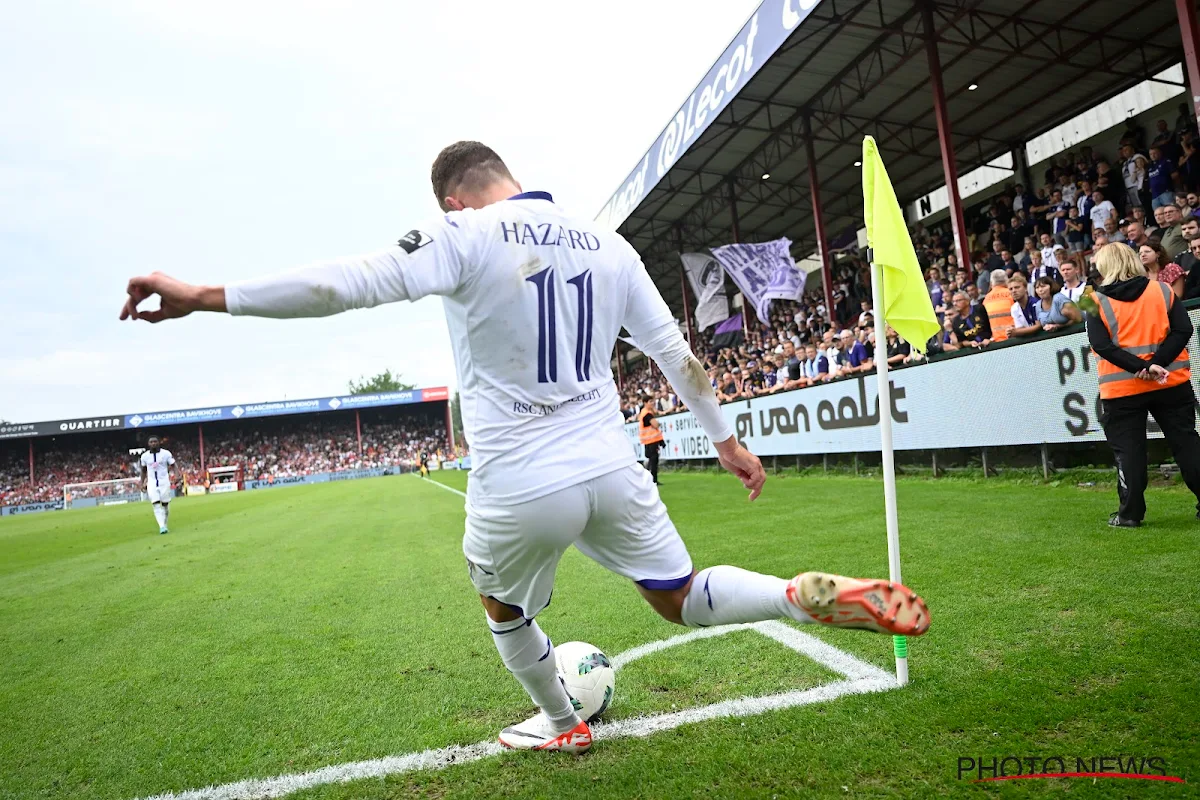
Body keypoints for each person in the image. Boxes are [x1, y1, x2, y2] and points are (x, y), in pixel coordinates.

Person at [118, 141, 929, 754]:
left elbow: (346, 283)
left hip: (518, 477)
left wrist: (207, 296)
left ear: (450, 196)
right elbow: (675, 353)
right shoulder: (607, 244)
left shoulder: (463, 234)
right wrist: (725, 441)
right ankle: (794, 595)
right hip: (610, 461)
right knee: (677, 594)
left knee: (503, 609)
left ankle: (559, 721)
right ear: (509, 173)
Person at [1086, 244, 1200, 527]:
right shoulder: (1161, 289)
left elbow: (1099, 345)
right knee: (1187, 443)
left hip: (1122, 389)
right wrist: (1156, 364)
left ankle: (1130, 514)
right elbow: (1184, 329)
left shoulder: (1090, 300)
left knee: (1129, 451)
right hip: (1170, 382)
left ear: (1105, 267)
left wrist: (1140, 368)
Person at [139, 436, 178, 535]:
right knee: (155, 504)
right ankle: (161, 527)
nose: (153, 444)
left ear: (159, 442)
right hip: (151, 483)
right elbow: (143, 470)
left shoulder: (166, 454)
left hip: (164, 482)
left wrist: (177, 475)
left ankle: (164, 524)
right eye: (151, 442)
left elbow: (173, 465)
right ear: (148, 444)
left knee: (165, 505)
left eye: (155, 441)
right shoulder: (145, 456)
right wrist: (142, 483)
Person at [981, 269, 1015, 343]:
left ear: (991, 283)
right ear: (1006, 280)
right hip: (1013, 337)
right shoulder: (1012, 294)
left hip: (995, 341)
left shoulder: (986, 299)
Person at [638, 397, 664, 485]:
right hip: (651, 440)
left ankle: (650, 479)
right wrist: (658, 423)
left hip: (648, 441)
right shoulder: (647, 414)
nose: (652, 403)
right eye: (650, 401)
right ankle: (653, 480)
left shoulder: (643, 412)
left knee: (651, 461)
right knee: (654, 461)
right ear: (645, 403)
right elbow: (655, 424)